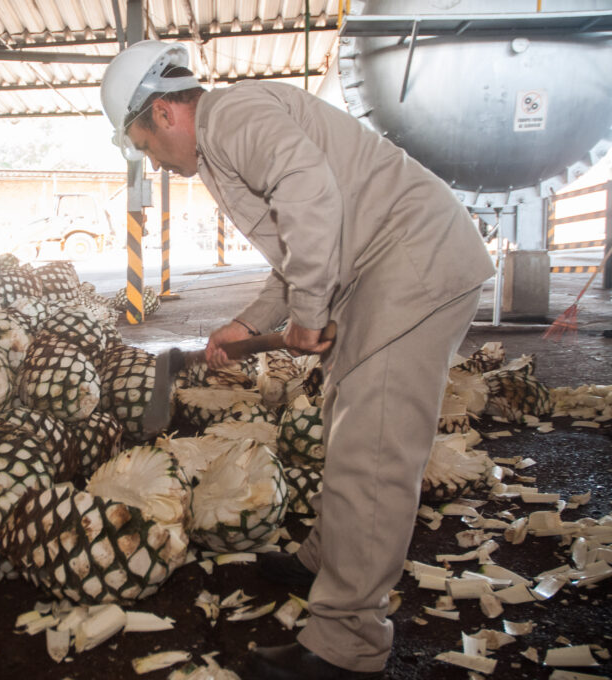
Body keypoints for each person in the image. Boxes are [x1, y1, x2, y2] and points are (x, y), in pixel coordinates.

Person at [100, 41, 495, 680]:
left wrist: (309, 312)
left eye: (145, 146)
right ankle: (325, 560)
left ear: (165, 115)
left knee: (373, 450)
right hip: (380, 269)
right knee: (347, 418)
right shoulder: (225, 146)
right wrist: (248, 325)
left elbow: (311, 197)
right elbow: (298, 249)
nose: (157, 163)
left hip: (411, 263)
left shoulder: (231, 118)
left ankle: (345, 648)